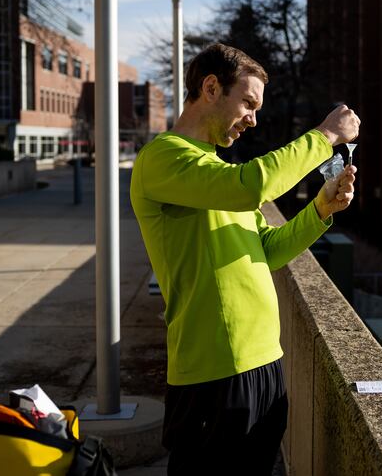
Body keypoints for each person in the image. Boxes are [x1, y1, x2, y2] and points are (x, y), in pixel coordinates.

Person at [130, 43, 360, 475]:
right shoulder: (163, 159)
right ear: (211, 87)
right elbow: (251, 187)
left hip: (265, 363)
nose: (254, 118)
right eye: (249, 103)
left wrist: (321, 210)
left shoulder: (215, 172)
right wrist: (325, 136)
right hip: (211, 371)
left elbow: (269, 250)